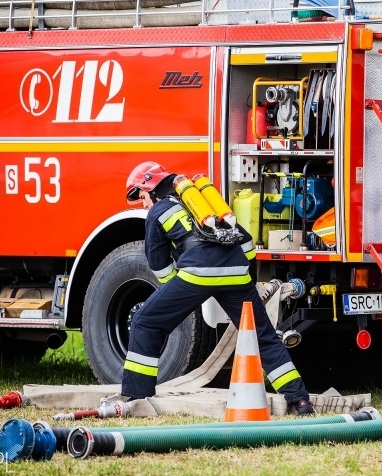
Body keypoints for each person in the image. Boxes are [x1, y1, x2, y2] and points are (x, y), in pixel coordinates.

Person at [122, 161, 314, 414]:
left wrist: (177, 291)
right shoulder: (208, 205)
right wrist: (244, 279)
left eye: (142, 197)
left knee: (145, 322)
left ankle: (137, 396)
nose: (144, 204)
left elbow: (158, 264)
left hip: (196, 275)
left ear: (151, 189)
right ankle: (299, 399)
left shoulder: (159, 211)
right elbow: (247, 244)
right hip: (237, 273)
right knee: (263, 335)